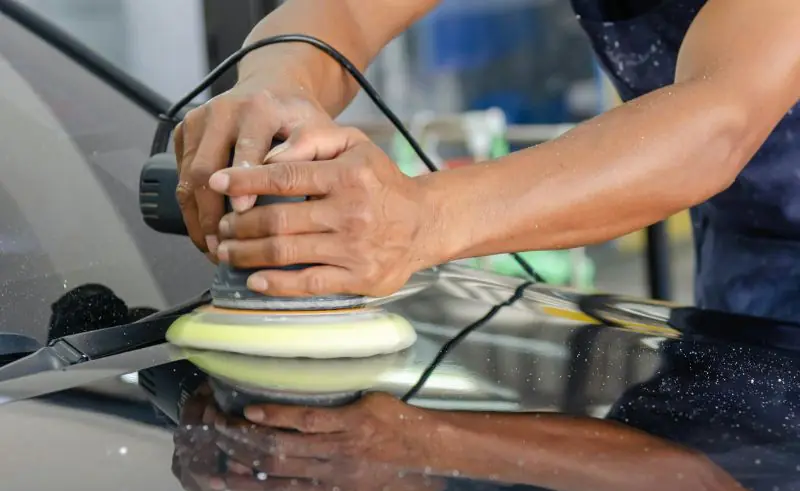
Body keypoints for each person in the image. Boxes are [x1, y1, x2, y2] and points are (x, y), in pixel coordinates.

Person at [173, 0, 800, 322]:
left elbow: (720, 118)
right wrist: (276, 83)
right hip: (744, 246)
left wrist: (420, 219)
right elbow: (348, 12)